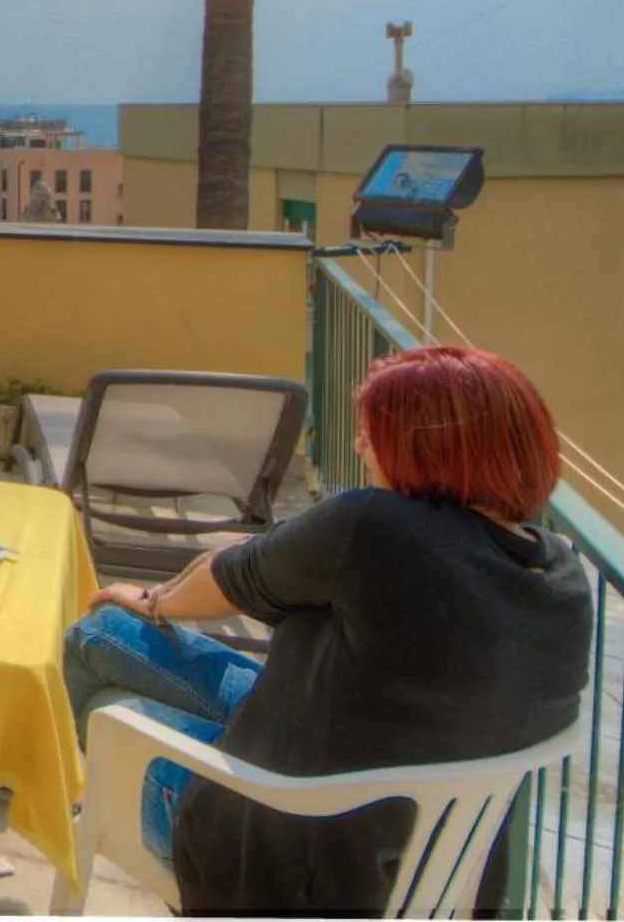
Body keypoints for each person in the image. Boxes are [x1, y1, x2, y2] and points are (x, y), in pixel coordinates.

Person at [60, 345, 591, 916]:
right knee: (104, 634)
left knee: (108, 704)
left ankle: (53, 780)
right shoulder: (562, 576)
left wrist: (153, 600)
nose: (360, 446)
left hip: (279, 857)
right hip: (431, 870)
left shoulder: (376, 526)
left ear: (424, 446)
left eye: (373, 432)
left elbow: (230, 575)